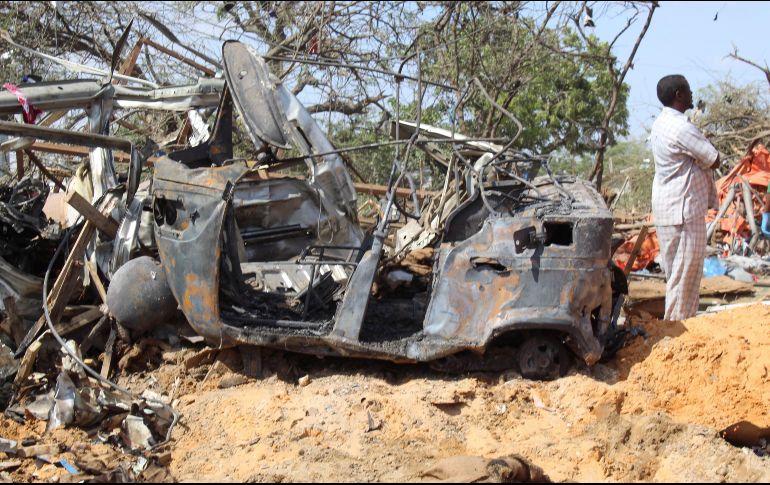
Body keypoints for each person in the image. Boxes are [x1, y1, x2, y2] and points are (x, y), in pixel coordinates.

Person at [649, 75, 720, 320]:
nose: (692, 94)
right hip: (684, 210)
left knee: (675, 275)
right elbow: (713, 158)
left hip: (667, 208)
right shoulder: (681, 127)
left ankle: (675, 331)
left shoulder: (660, 124)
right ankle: (678, 335)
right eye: (688, 91)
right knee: (686, 278)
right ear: (679, 94)